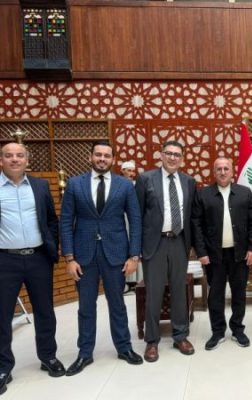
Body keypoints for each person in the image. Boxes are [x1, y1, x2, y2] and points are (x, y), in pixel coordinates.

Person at [60, 141, 143, 376]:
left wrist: (134, 255)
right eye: (98, 155)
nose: (102, 159)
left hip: (115, 254)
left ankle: (124, 348)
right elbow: (65, 221)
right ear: (90, 157)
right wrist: (69, 258)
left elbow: (135, 220)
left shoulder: (124, 185)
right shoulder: (75, 184)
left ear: (113, 160)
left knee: (117, 304)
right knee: (86, 307)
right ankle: (85, 353)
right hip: (83, 256)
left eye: (107, 156)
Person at [0, 143, 66, 395]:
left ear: (27, 160)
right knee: (2, 315)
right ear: (1, 160)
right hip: (5, 261)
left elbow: (51, 219)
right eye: (9, 155)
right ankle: (3, 367)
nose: (15, 159)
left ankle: (48, 357)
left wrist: (52, 247)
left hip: (38, 258)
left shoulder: (39, 186)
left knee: (45, 311)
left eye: (20, 155)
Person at [135, 141, 197, 361]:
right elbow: (137, 215)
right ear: (160, 155)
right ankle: (152, 341)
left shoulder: (189, 181)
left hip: (179, 242)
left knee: (179, 290)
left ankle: (180, 335)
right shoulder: (145, 179)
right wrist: (136, 248)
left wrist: (193, 245)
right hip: (155, 244)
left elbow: (192, 216)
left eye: (177, 154)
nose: (172, 158)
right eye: (168, 153)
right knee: (154, 292)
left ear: (182, 158)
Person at [192, 157, 252, 350]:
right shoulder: (203, 195)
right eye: (219, 169)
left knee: (239, 293)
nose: (223, 172)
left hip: (240, 254)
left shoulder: (245, 193)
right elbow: (196, 225)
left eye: (226, 169)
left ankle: (238, 329)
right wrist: (201, 252)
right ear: (214, 172)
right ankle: (218, 331)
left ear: (232, 172)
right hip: (214, 256)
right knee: (215, 294)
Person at [121, 160, 142, 293]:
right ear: (122, 171)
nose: (131, 173)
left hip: (134, 220)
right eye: (128, 170)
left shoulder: (137, 186)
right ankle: (125, 282)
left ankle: (137, 283)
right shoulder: (118, 184)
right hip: (122, 220)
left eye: (133, 171)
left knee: (135, 249)